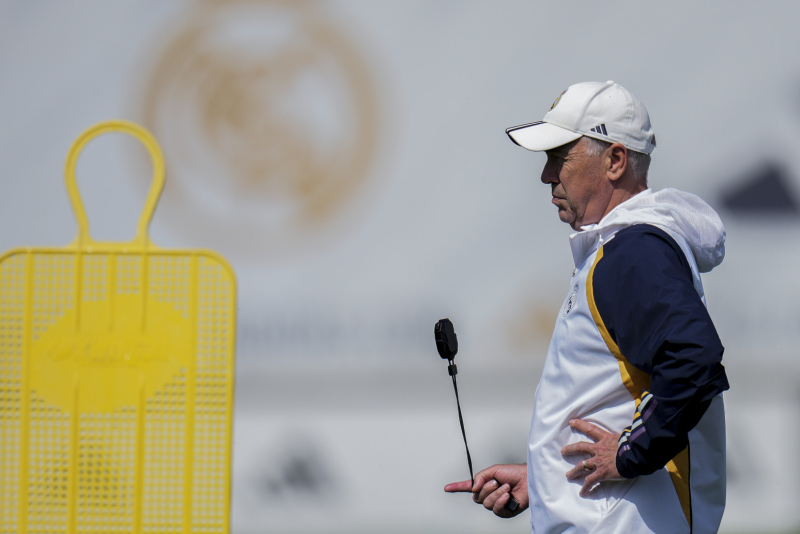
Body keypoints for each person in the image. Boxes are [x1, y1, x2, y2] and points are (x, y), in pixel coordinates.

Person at [444, 81, 729, 534]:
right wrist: (546, 477)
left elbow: (694, 360)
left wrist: (632, 453)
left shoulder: (634, 251)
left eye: (560, 157)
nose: (546, 175)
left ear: (615, 161)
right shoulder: (622, 248)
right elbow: (609, 396)